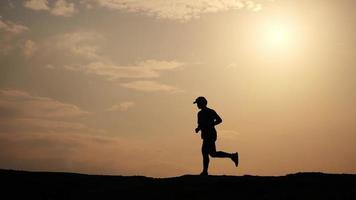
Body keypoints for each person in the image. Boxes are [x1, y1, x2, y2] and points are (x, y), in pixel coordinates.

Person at [193, 96, 239, 176]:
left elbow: (219, 120)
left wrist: (210, 124)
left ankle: (205, 172)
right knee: (212, 154)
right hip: (205, 135)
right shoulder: (199, 114)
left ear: (202, 103)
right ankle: (232, 156)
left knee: (205, 152)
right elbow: (201, 124)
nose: (197, 105)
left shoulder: (210, 111)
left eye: (198, 103)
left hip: (210, 134)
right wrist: (198, 129)